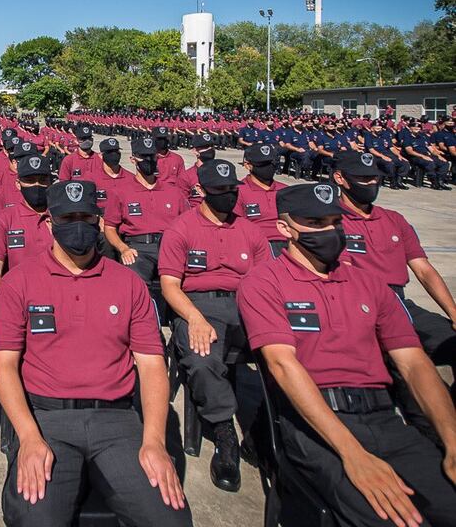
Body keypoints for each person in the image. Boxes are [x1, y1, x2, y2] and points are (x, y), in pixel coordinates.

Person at [237, 183, 456, 527]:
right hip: (317, 426)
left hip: (386, 420)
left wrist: (452, 442)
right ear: (285, 228)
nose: (329, 231)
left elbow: (414, 363)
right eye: (315, 223)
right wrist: (353, 454)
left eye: (336, 222)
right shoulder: (265, 282)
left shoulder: (369, 283)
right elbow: (282, 366)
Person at [0, 180, 191, 527]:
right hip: (48, 419)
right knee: (35, 517)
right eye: (67, 218)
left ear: (98, 220)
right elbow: (5, 365)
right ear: (49, 223)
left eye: (85, 217)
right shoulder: (18, 282)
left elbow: (151, 365)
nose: (78, 226)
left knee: (168, 516)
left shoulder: (129, 283)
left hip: (117, 420)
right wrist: (28, 437)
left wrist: (155, 442)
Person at [157, 159, 270, 492]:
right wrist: (194, 318)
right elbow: (170, 286)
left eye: (232, 189)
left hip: (247, 303)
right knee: (202, 358)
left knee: (292, 354)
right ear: (203, 191)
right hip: (199, 304)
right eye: (220, 190)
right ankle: (224, 433)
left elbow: (265, 282)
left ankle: (262, 430)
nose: (229, 195)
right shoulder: (181, 229)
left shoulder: (251, 231)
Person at [332, 150, 456, 442]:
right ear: (340, 179)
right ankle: (432, 437)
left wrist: (453, 312)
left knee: (449, 342)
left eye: (374, 178)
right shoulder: (330, 221)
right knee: (407, 368)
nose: (371, 183)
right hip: (361, 306)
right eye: (363, 178)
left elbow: (423, 269)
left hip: (401, 302)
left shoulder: (393, 219)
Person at [104, 138, 189, 296]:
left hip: (169, 246)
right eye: (143, 156)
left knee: (189, 280)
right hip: (138, 248)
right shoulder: (120, 192)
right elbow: (109, 227)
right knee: (134, 283)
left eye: (152, 156)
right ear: (133, 159)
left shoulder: (173, 192)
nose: (149, 160)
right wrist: (123, 249)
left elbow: (187, 224)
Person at [0, 154, 55, 305]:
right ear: (18, 184)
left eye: (42, 180)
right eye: (29, 181)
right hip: (19, 298)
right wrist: (3, 307)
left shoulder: (64, 217)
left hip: (59, 296)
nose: (37, 185)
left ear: (51, 182)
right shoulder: (4, 219)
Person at [235, 144, 288, 257]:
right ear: (248, 165)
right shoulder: (238, 191)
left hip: (289, 242)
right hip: (260, 245)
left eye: (272, 163)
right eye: (263, 164)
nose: (269, 167)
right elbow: (237, 227)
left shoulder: (285, 190)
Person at [177, 133, 216, 208]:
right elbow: (181, 203)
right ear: (195, 151)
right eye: (205, 147)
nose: (210, 149)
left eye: (212, 146)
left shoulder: (220, 173)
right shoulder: (186, 176)